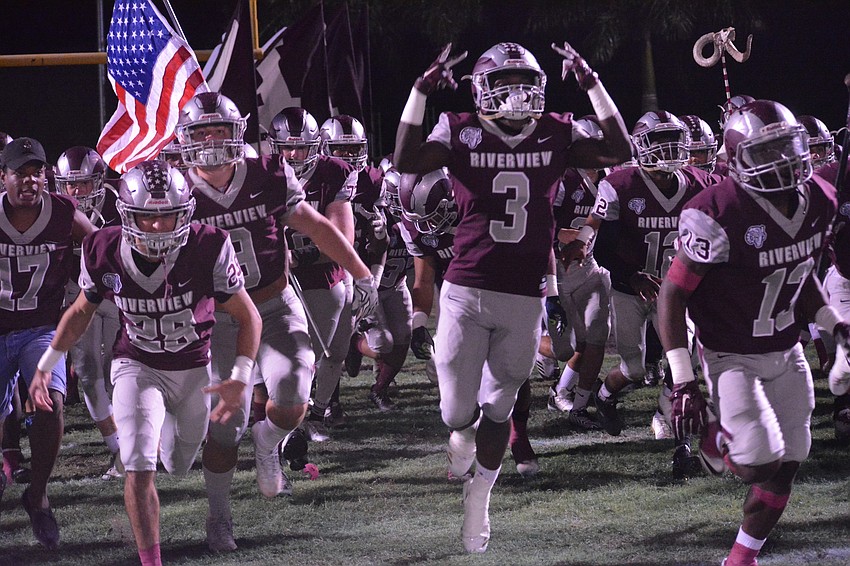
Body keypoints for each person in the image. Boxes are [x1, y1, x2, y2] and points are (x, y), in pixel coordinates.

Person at [394, 41, 631, 552]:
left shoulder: (557, 130)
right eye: (504, 84)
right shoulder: (461, 129)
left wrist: (591, 82)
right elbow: (405, 157)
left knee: (499, 410)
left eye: (526, 82)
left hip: (523, 296)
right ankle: (461, 439)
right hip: (464, 290)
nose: (517, 93)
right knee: (456, 414)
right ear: (482, 90)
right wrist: (418, 92)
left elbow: (620, 150)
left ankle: (479, 499)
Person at [179, 93, 376, 546]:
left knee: (293, 402)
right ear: (185, 140)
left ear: (238, 133)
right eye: (201, 132)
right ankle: (219, 514)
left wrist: (361, 273)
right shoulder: (179, 192)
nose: (210, 142)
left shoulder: (267, 173)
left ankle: (267, 444)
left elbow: (316, 226)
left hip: (274, 303)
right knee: (223, 428)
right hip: (219, 320)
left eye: (219, 131)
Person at [657, 99, 841, 566]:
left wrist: (834, 325)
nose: (782, 160)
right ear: (738, 161)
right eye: (766, 152)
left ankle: (740, 559)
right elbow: (672, 296)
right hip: (729, 351)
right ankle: (715, 437)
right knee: (761, 461)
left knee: (789, 462)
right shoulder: (718, 210)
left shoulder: (820, 198)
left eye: (786, 147)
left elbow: (801, 278)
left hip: (785, 348)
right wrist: (683, 381)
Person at [0, 137, 96, 549]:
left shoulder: (63, 211)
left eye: (36, 173)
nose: (29, 181)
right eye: (19, 173)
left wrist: (89, 291)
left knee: (50, 402)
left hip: (41, 327)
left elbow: (100, 246)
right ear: (2, 177)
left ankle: (37, 494)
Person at [269, 107, 359, 443]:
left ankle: (317, 413)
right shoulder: (263, 176)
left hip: (327, 276)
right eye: (286, 147)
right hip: (278, 282)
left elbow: (342, 240)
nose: (293, 155)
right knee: (297, 356)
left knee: (332, 352)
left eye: (301, 147)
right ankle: (293, 423)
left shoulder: (334, 173)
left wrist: (295, 256)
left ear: (315, 146)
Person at [54, 146, 124, 479]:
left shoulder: (119, 203)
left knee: (120, 367)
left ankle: (135, 440)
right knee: (87, 370)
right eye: (71, 184)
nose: (77, 191)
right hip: (78, 297)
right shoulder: (54, 212)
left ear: (98, 180)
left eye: (83, 183)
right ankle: (116, 446)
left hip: (116, 297)